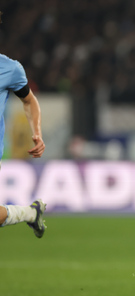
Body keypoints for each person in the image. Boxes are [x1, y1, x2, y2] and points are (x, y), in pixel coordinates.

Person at [0, 11, 47, 237]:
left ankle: (30, 213)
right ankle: (30, 213)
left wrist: (36, 132)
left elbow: (29, 100)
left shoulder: (9, 69)